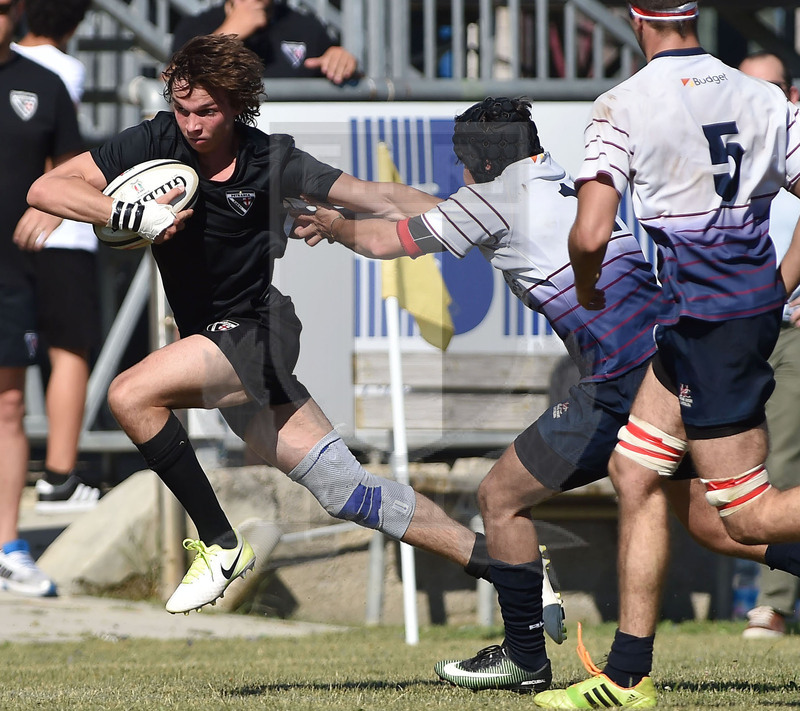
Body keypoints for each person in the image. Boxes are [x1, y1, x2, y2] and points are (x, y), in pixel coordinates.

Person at [292, 96, 800, 694]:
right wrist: (340, 198)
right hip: (676, 364)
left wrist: (332, 226)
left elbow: (386, 240)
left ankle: (524, 654)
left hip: (620, 383)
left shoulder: (492, 202)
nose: (459, 175)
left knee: (501, 497)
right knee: (719, 525)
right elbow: (407, 200)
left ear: (479, 163)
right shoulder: (555, 179)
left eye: (462, 163)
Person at [26, 34, 514, 618]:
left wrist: (477, 214)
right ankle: (513, 572)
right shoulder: (157, 139)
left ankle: (219, 544)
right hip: (213, 345)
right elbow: (46, 187)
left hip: (259, 331)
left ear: (236, 105)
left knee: (129, 395)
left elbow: (375, 197)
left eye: (206, 111)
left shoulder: (272, 161)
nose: (192, 125)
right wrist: (128, 213)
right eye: (183, 109)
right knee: (346, 490)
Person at [543, 1, 800, 707]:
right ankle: (628, 674)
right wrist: (780, 281)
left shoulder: (623, 104)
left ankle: (627, 674)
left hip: (711, 325)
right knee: (634, 468)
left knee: (745, 515)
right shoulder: (763, 95)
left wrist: (589, 289)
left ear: (635, 18)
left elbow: (591, 232)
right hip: (708, 320)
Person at [0, 0, 85, 596]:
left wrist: (48, 208)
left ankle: (7, 547)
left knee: (8, 407)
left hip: (12, 275)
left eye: (6, 8)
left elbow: (74, 171)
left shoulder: (44, 84)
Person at [11, 0, 103, 514]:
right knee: (69, 349)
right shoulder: (64, 69)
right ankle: (60, 479)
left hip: (16, 237)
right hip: (59, 230)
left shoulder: (15, 66)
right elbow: (60, 153)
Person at [737, 51, 800, 639]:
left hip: (790, 327)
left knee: (780, 457)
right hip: (731, 327)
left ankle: (774, 604)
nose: (761, 99)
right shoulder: (725, 150)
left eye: (773, 88)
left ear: (793, 93)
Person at [171, 0, 358, 85]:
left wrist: (341, 61)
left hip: (291, 147)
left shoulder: (307, 27)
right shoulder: (196, 27)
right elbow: (171, 83)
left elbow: (350, 82)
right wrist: (227, 34)